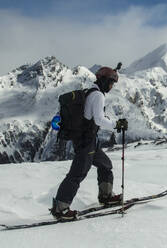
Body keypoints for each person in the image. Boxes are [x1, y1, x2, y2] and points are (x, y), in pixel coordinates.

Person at [50, 66, 128, 220]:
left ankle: (106, 196)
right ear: (105, 81)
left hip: (88, 140)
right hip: (86, 141)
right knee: (77, 174)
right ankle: (60, 209)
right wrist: (116, 124)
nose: (112, 86)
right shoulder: (98, 95)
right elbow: (98, 119)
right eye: (111, 82)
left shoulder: (89, 92)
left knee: (105, 165)